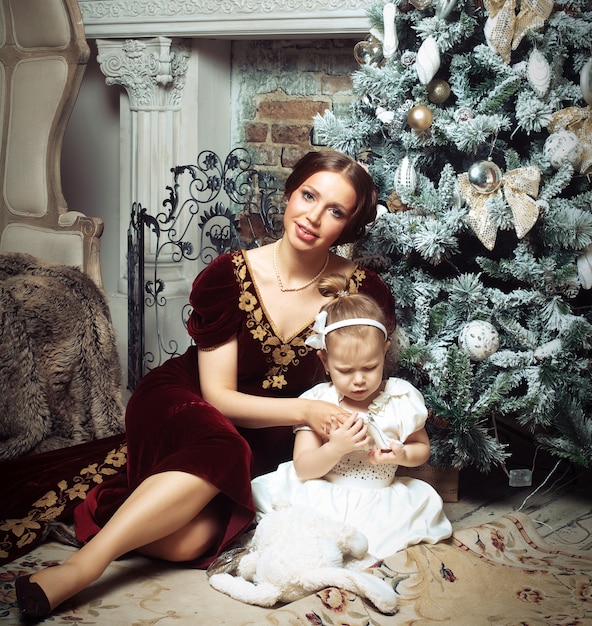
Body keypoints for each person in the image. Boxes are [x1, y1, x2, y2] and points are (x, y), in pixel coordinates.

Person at [15, 150, 397, 619]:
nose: (313, 217)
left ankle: (118, 507)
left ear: (349, 225)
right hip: (188, 398)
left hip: (268, 435)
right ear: (289, 194)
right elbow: (220, 398)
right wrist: (306, 412)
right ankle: (79, 570)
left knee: (192, 541)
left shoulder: (364, 292)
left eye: (335, 211)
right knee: (222, 448)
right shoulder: (229, 276)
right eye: (308, 196)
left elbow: (361, 382)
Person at [252, 274, 452, 558]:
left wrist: (401, 454)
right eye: (346, 370)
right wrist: (336, 447)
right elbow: (304, 468)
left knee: (378, 544)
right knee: (304, 537)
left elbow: (421, 449)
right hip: (324, 493)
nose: (359, 380)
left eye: (370, 367)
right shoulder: (318, 401)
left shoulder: (400, 398)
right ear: (325, 361)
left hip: (381, 497)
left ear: (385, 352)